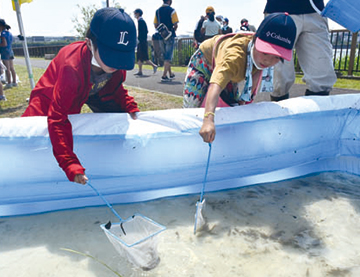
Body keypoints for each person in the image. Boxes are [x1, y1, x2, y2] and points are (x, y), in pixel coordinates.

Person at [22, 8, 139, 185]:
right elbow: (58, 117)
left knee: (118, 116)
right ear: (90, 44)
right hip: (49, 96)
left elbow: (115, 89)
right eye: (111, 55)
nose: (116, 63)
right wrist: (69, 163)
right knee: (27, 136)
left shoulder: (115, 65)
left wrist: (129, 105)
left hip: (88, 91)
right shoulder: (72, 68)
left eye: (122, 56)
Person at [182, 13, 297, 143]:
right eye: (265, 52)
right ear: (255, 41)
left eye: (277, 57)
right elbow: (216, 84)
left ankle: (223, 142)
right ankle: (190, 142)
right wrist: (208, 119)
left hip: (232, 65)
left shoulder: (260, 58)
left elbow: (257, 72)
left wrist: (246, 99)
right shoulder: (235, 57)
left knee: (233, 106)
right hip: (204, 62)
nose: (268, 61)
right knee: (193, 109)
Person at [264, 0, 337, 101]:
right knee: (279, 77)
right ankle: (279, 112)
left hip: (315, 10)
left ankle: (315, 115)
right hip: (279, 9)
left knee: (322, 73)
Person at [154, 0, 179, 82]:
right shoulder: (172, 10)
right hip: (170, 36)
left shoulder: (157, 11)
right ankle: (164, 76)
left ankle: (170, 74)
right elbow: (175, 24)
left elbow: (155, 24)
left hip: (161, 36)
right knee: (168, 57)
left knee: (165, 55)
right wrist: (171, 32)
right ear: (169, 1)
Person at [133, 8, 158, 76]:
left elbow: (144, 32)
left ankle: (154, 66)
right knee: (139, 57)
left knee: (145, 57)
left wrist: (140, 39)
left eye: (135, 13)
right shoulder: (140, 21)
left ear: (138, 13)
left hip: (142, 42)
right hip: (141, 41)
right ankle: (140, 71)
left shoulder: (141, 21)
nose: (134, 15)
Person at [0, 19, 17, 89]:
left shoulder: (2, 34)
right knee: (12, 68)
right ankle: (14, 82)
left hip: (5, 52)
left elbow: (4, 44)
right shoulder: (9, 33)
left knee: (7, 68)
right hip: (10, 51)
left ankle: (9, 82)